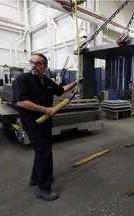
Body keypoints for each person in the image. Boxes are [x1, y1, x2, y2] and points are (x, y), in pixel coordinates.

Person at [12, 53, 81, 201]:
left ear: (45, 66)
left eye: (38, 63)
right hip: (32, 122)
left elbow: (61, 90)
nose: (34, 65)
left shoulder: (47, 82)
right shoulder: (23, 79)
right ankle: (43, 188)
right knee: (44, 152)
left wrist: (76, 82)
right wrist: (46, 110)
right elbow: (22, 102)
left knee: (43, 150)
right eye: (32, 62)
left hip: (45, 122)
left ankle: (35, 177)